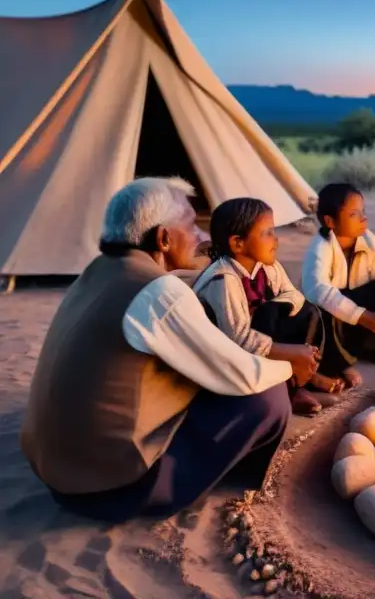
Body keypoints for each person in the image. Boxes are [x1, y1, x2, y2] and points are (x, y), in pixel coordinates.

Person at [20, 178, 300, 522]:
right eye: (190, 226)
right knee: (267, 394)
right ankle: (213, 481)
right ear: (163, 238)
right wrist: (292, 365)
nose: (202, 238)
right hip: (110, 489)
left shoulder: (97, 272)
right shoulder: (157, 290)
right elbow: (245, 375)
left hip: (58, 473)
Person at [192, 197, 345, 416]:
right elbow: (239, 339)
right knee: (269, 313)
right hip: (226, 362)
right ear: (238, 243)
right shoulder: (223, 279)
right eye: (267, 233)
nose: (277, 240)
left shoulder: (266, 267)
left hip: (257, 345)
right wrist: (292, 351)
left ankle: (301, 378)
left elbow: (294, 295)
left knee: (306, 312)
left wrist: (277, 309)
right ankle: (290, 389)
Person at [302, 182, 375, 369]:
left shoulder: (371, 242)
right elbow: (317, 290)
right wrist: (363, 317)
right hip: (338, 321)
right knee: (323, 312)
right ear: (330, 222)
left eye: (363, 211)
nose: (363, 218)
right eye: (354, 214)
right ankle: (341, 364)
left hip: (364, 317)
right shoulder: (320, 247)